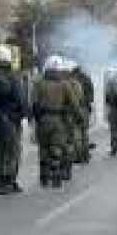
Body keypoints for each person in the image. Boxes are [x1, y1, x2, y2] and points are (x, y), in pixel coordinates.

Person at [31, 56, 85, 188]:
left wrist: (34, 119)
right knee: (56, 147)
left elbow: (33, 103)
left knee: (43, 147)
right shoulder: (64, 84)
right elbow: (74, 104)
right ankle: (56, 176)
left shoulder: (39, 84)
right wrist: (80, 118)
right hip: (58, 119)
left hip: (43, 120)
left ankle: (44, 175)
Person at [0, 45, 28, 194]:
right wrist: (24, 114)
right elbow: (21, 99)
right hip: (11, 120)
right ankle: (9, 181)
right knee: (13, 152)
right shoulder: (13, 77)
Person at [68, 60, 95, 163]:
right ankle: (85, 154)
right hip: (85, 108)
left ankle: (78, 155)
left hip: (75, 109)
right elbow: (91, 94)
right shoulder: (86, 78)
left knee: (76, 133)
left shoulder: (70, 80)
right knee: (84, 132)